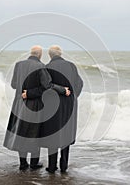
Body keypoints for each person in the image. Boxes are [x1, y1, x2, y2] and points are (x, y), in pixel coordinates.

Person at [3, 45, 69, 171]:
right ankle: (34, 163)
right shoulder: (41, 67)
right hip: (35, 105)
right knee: (35, 134)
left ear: (31, 53)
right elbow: (47, 86)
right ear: (39, 55)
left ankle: (23, 164)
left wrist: (25, 89)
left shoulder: (18, 65)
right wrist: (62, 89)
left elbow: (13, 84)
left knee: (21, 133)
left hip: (19, 103)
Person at [44, 45, 83, 173]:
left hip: (52, 105)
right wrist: (73, 95)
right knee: (66, 134)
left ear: (50, 55)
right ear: (60, 54)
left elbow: (46, 86)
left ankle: (51, 166)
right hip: (69, 104)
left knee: (53, 134)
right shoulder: (71, 66)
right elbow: (79, 83)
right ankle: (64, 166)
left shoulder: (46, 68)